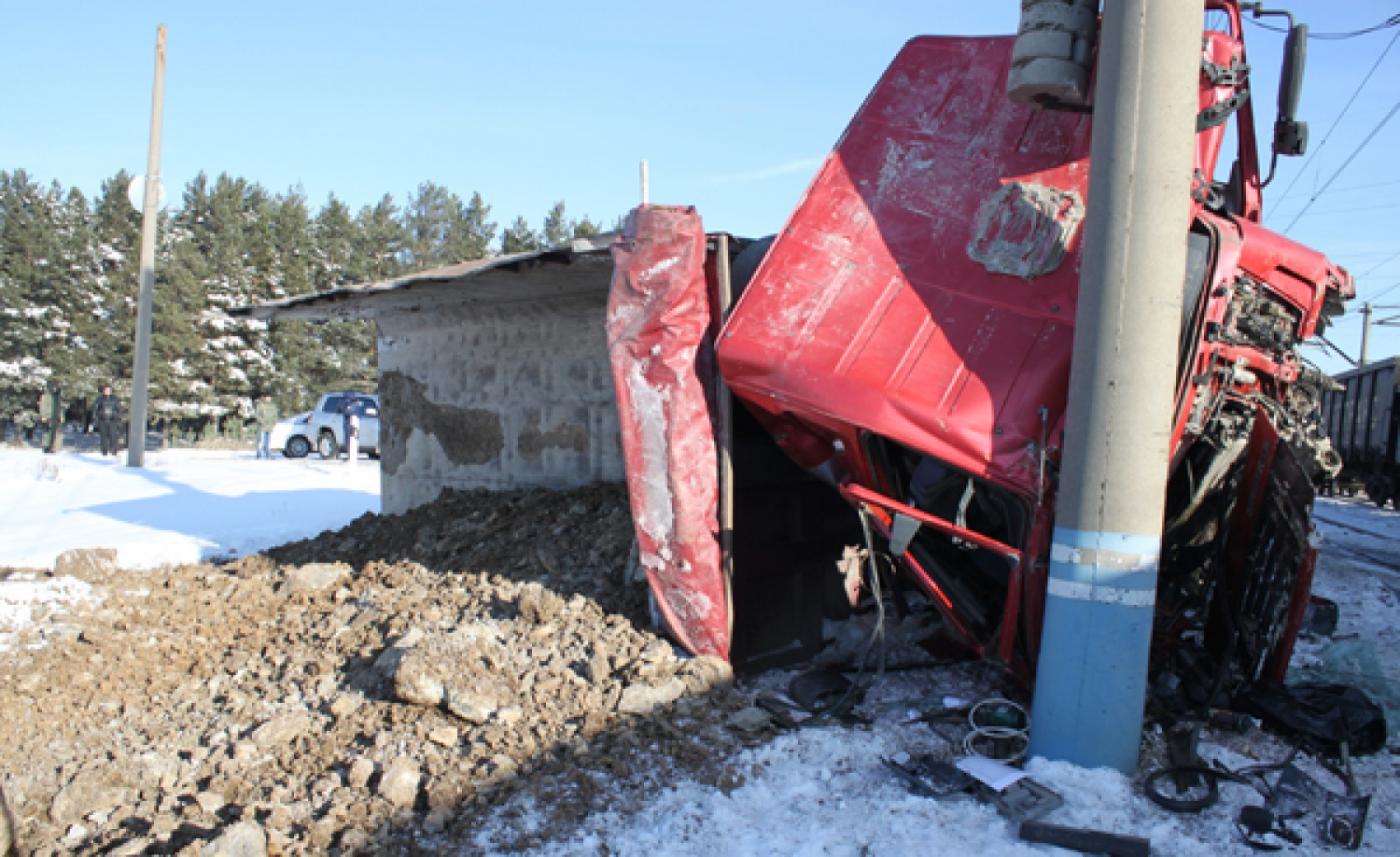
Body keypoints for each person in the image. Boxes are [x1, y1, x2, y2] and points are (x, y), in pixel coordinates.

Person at [93, 384, 123, 456]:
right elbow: (95, 409)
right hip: (102, 420)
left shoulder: (114, 399)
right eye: (106, 390)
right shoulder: (99, 399)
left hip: (113, 420)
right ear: (103, 391)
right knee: (103, 437)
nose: (107, 391)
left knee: (113, 436)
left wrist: (118, 417)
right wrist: (96, 418)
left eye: (109, 390)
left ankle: (114, 450)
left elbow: (119, 408)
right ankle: (104, 451)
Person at [38, 379, 62, 454]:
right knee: (47, 432)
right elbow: (43, 406)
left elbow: (59, 406)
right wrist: (44, 416)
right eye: (54, 387)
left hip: (55, 416)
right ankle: (46, 447)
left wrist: (61, 415)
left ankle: (51, 446)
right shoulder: (46, 396)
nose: (55, 388)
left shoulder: (57, 396)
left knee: (53, 432)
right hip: (48, 416)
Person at [254, 394, 279, 459]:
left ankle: (268, 453)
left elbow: (275, 415)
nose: (268, 398)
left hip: (270, 427)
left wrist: (274, 423)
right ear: (265, 398)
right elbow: (257, 415)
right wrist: (262, 421)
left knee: (268, 441)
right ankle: (259, 453)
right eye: (267, 397)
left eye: (269, 397)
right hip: (262, 426)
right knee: (261, 441)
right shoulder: (260, 405)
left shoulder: (273, 406)